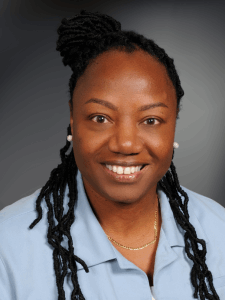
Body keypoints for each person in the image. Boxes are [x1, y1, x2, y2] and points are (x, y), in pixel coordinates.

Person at [0, 9, 225, 300]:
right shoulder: (8, 248)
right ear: (72, 117)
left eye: (151, 120)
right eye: (100, 118)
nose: (126, 144)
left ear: (174, 126)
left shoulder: (219, 228)